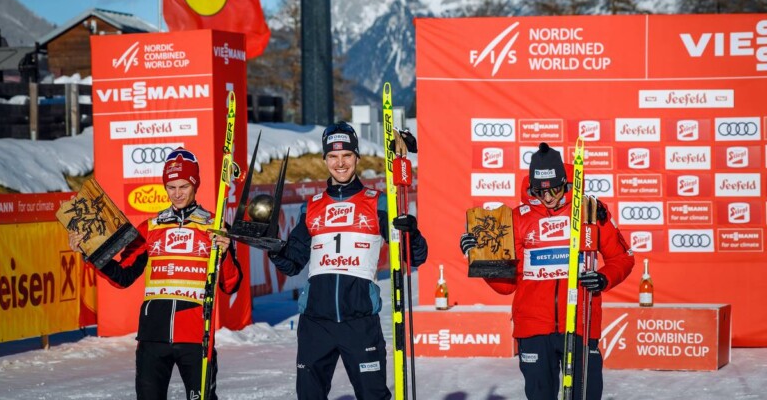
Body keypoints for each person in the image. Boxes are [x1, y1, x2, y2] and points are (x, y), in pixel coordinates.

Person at [460, 142, 634, 400]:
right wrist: (482, 261)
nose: (548, 197)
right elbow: (507, 287)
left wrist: (604, 278)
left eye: (553, 189)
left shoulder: (589, 211)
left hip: (579, 322)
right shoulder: (517, 219)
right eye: (539, 191)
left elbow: (622, 258)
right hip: (533, 327)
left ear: (564, 182)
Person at [268, 121, 428, 400]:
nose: (340, 163)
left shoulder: (379, 202)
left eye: (346, 156)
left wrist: (411, 232)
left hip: (360, 321)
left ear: (356, 157)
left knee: (372, 395)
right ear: (324, 159)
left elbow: (415, 256)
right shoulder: (312, 206)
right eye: (333, 156)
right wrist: (273, 249)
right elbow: (293, 262)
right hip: (315, 323)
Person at [68, 147, 242, 400]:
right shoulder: (150, 228)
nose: (177, 193)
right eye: (171, 187)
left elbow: (230, 285)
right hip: (152, 338)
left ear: (195, 185)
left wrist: (225, 252)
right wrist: (90, 252)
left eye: (183, 186)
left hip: (196, 338)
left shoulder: (215, 227)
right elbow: (123, 276)